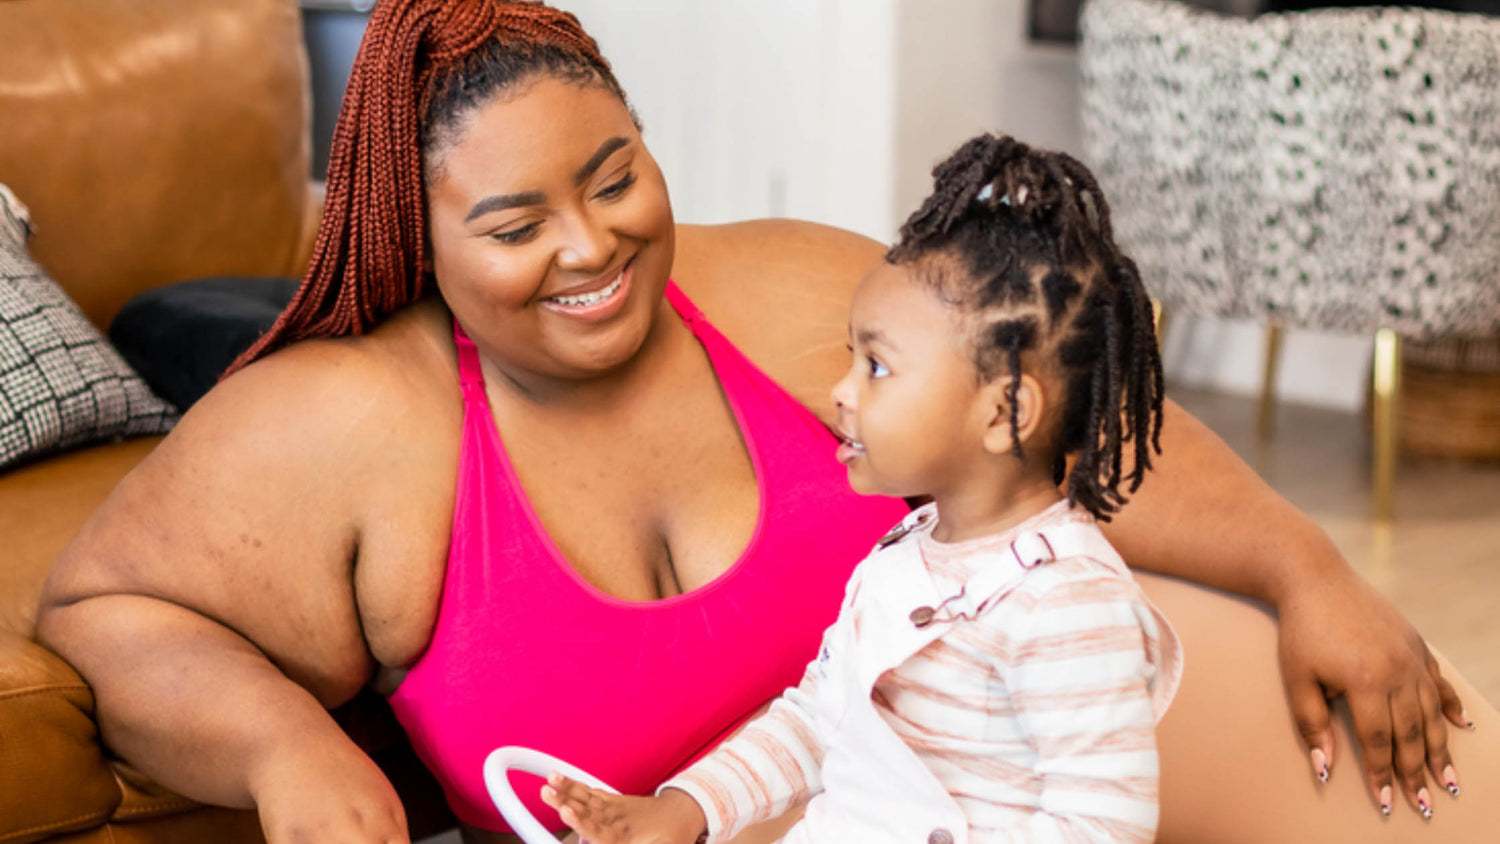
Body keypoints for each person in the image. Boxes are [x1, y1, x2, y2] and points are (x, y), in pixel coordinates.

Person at [32, 1, 1498, 843]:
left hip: (1047, 769)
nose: (591, 247)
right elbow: (105, 607)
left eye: (613, 176)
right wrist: (291, 753)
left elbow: (1047, 417)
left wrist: (1310, 570)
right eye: (514, 221)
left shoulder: (792, 288)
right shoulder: (346, 427)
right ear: (414, 234)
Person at [542, 133, 1186, 844]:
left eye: (877, 368)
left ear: (1004, 412)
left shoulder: (1067, 601)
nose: (841, 392)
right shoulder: (905, 553)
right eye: (852, 358)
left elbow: (1103, 825)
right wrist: (682, 810)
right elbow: (821, 721)